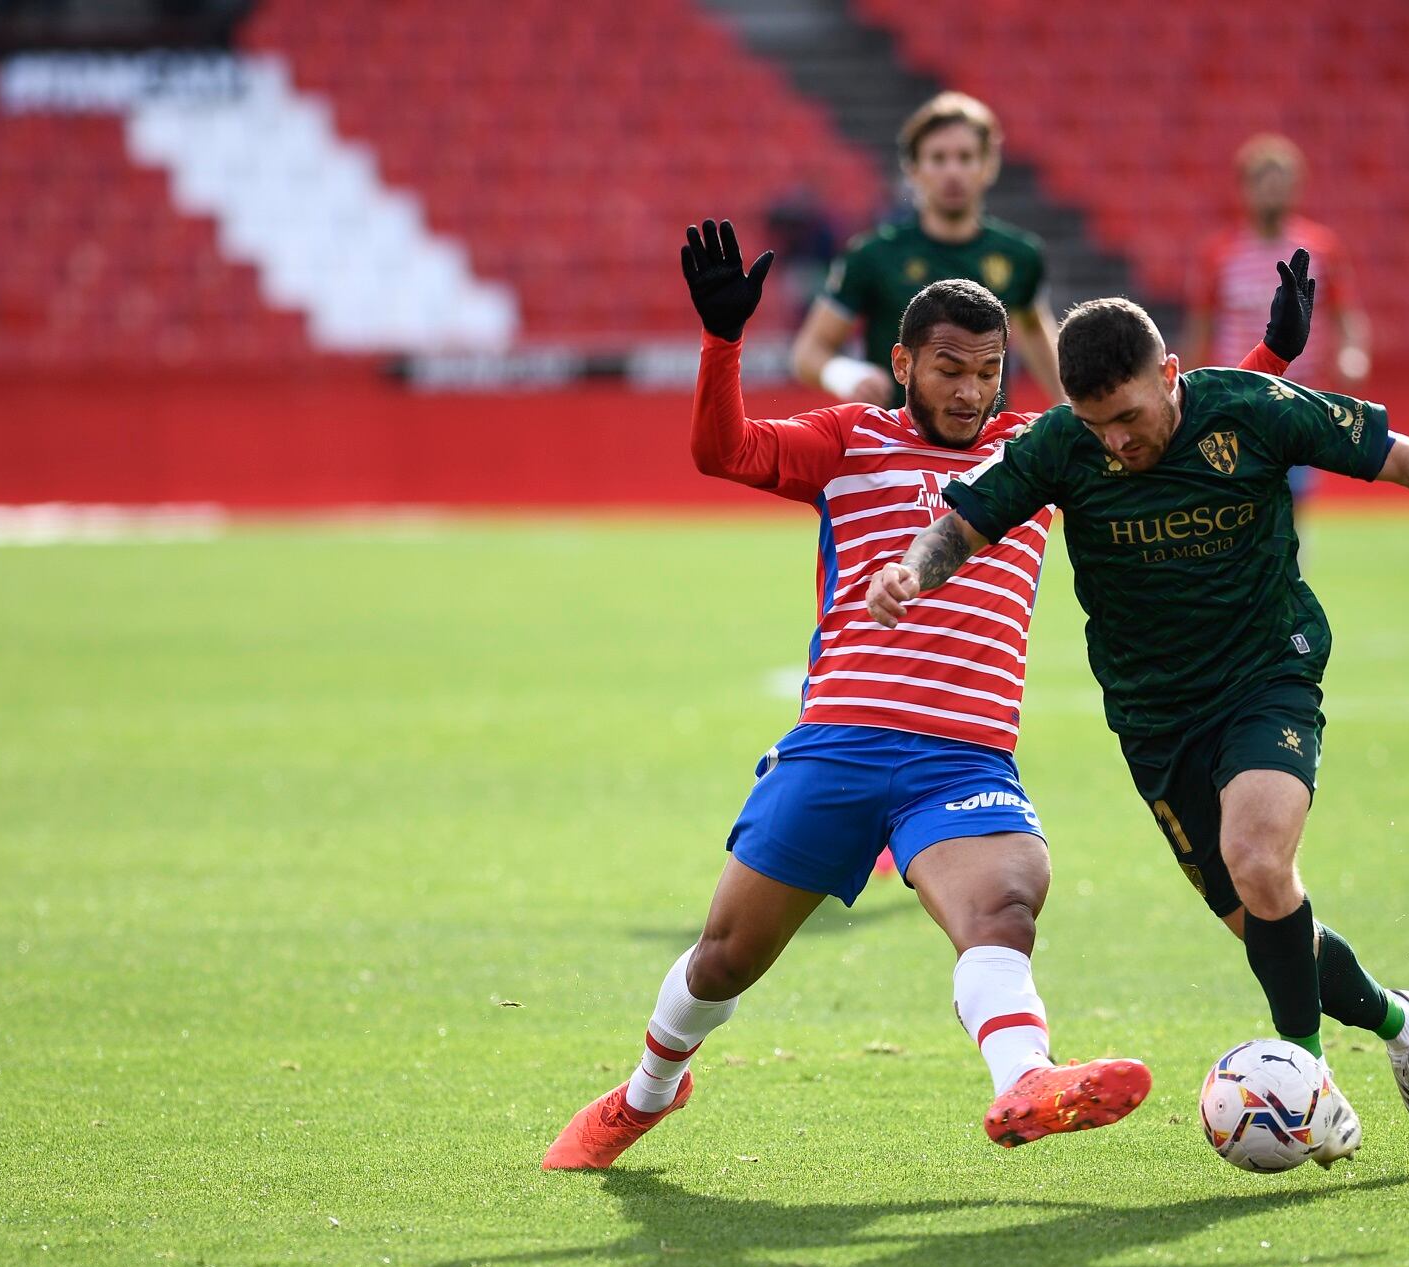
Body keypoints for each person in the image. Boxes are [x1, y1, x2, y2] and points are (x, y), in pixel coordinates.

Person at [543, 219, 1321, 1170]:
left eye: (989, 370)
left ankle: (1024, 1080)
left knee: (1005, 903)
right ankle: (645, 1093)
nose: (970, 388)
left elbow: (1158, 426)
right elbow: (725, 451)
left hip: (962, 756)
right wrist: (722, 342)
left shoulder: (1045, 452)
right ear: (902, 361)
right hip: (836, 743)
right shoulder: (848, 438)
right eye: (949, 366)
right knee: (725, 957)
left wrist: (1274, 352)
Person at [869, 298, 1409, 1160]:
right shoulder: (1060, 446)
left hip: (1268, 674)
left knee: (1261, 861)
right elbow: (959, 528)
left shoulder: (1249, 410)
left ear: (1170, 377)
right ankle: (1397, 1018)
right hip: (1155, 720)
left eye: (1129, 417)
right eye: (1095, 423)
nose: (1115, 440)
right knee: (1264, 922)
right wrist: (910, 571)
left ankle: (1306, 1077)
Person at [791, 92, 1065, 410]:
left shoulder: (1019, 255)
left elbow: (1033, 335)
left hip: (987, 449)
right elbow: (808, 352)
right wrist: (848, 375)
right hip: (896, 448)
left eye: (965, 157)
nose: (952, 171)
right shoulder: (873, 255)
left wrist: (1070, 409)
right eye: (938, 158)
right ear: (913, 169)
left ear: (988, 165)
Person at [1186, 133, 1371, 392]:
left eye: (1281, 184)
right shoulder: (1219, 254)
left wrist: (1352, 353)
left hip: (1304, 388)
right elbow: (1201, 325)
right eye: (1263, 183)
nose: (1273, 192)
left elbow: (1346, 315)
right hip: (1240, 387)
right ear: (1244, 188)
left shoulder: (1321, 248)